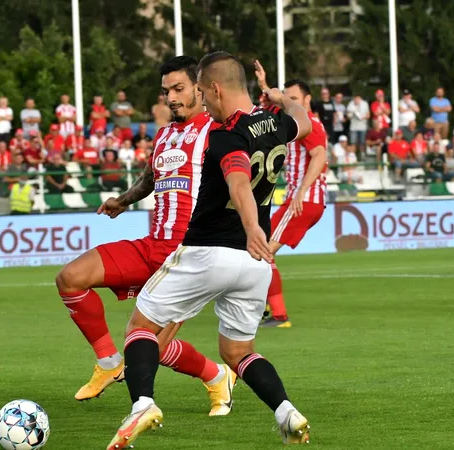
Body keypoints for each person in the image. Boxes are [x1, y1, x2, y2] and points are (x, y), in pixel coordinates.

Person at [107, 52, 312, 449]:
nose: (202, 99)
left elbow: (237, 182)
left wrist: (252, 227)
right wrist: (278, 96)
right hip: (254, 265)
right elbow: (302, 121)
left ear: (214, 89)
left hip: (208, 251)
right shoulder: (276, 123)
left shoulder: (225, 134)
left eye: (202, 91)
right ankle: (287, 412)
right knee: (237, 352)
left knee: (140, 328)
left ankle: (142, 404)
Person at [56, 56, 235, 416]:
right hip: (152, 245)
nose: (170, 97)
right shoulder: (166, 133)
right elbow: (152, 177)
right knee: (70, 278)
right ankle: (109, 363)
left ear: (200, 89)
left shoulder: (217, 133)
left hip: (188, 258)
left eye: (178, 89)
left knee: (149, 345)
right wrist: (123, 200)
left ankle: (216, 376)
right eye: (165, 90)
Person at [252, 69, 328, 328]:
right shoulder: (295, 120)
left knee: (261, 252)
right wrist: (264, 84)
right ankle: (263, 307)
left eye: (294, 97)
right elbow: (272, 102)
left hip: (303, 200)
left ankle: (276, 314)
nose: (289, 101)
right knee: (258, 249)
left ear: (307, 99)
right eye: (287, 97)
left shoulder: (310, 124)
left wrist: (302, 191)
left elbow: (319, 156)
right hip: (303, 200)